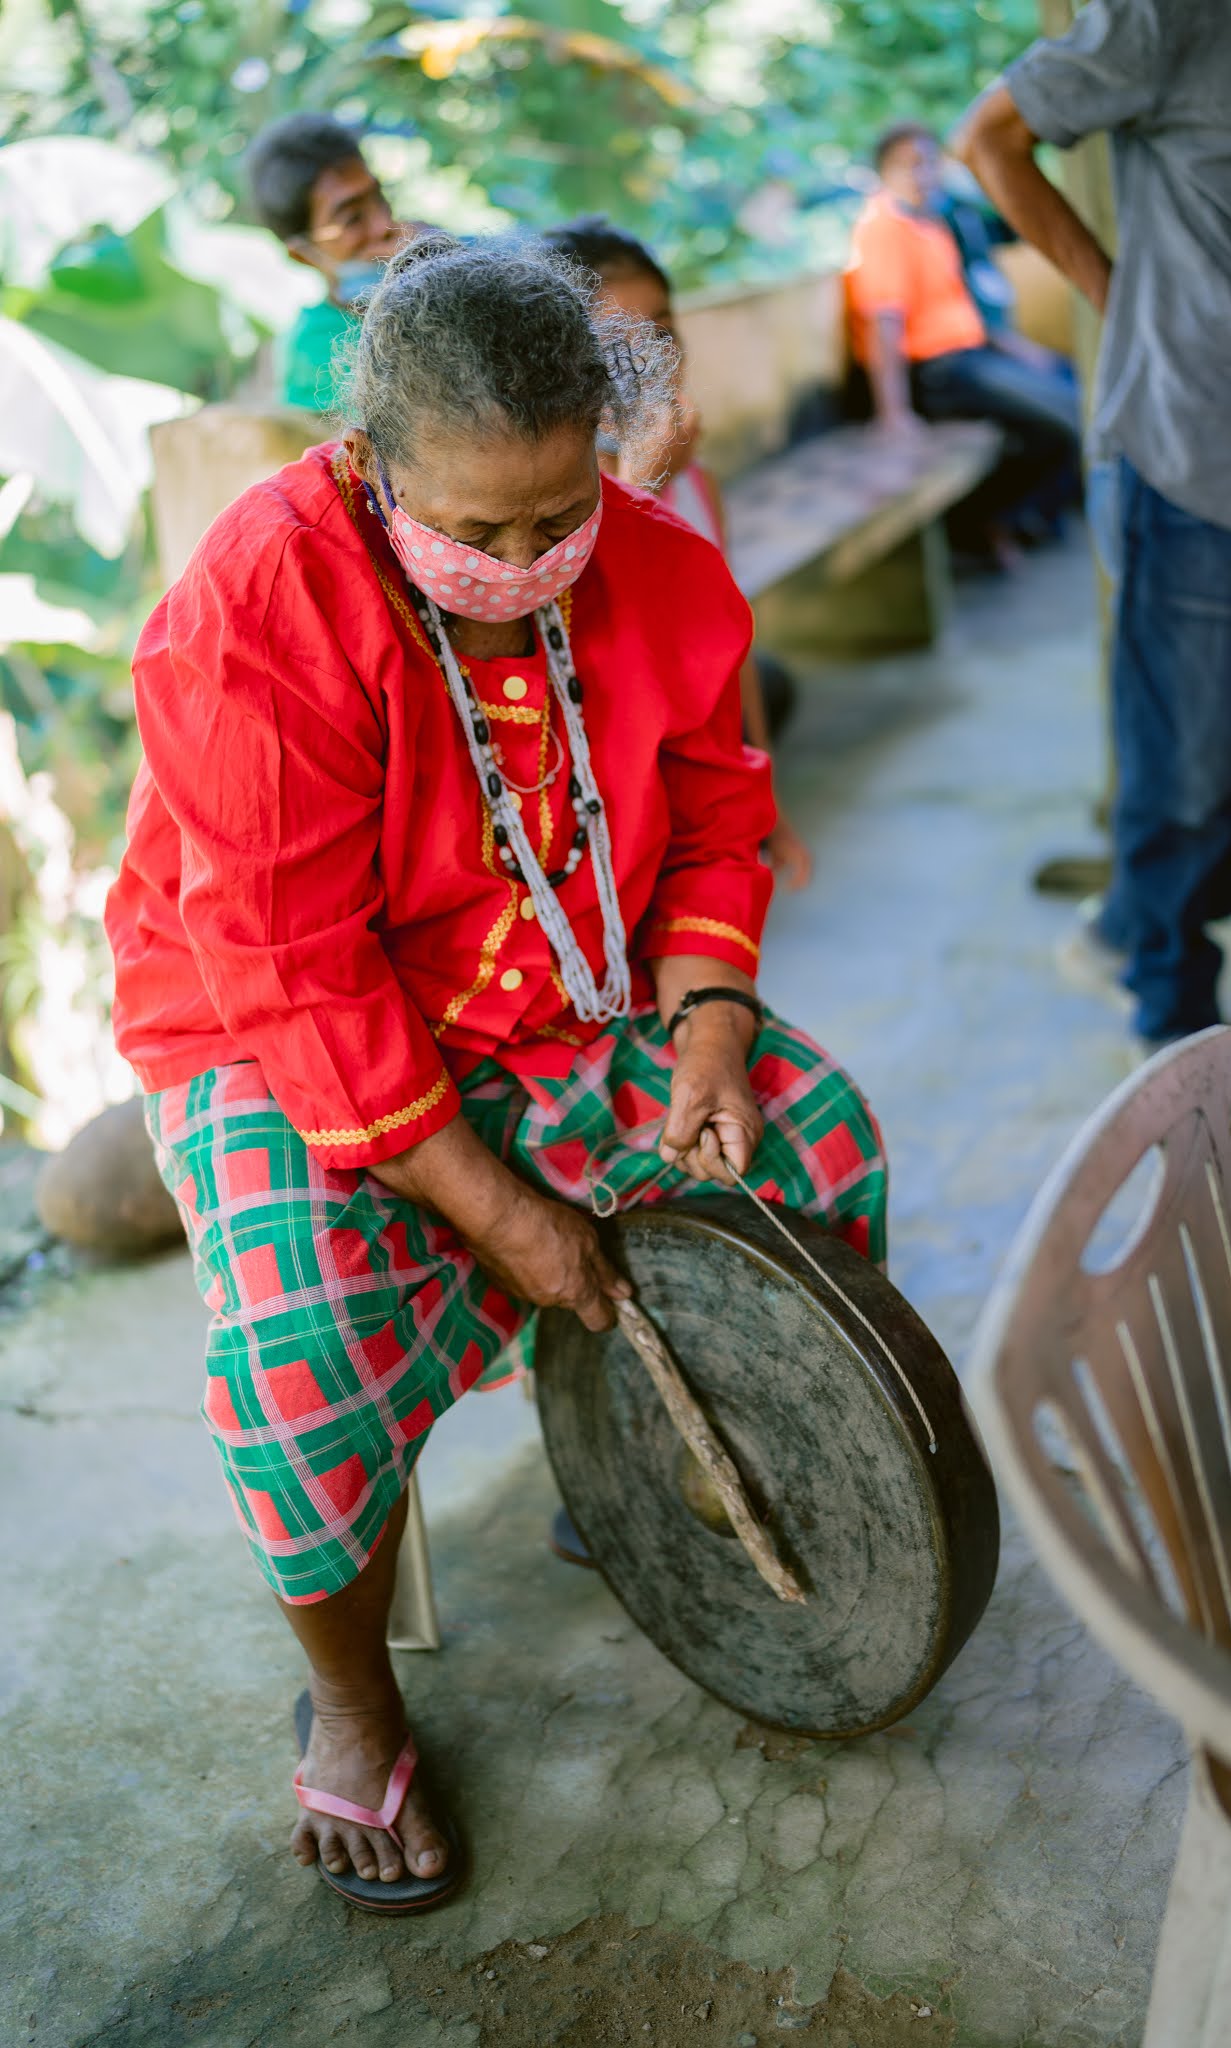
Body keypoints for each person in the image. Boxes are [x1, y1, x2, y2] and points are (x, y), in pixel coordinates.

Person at [105, 236, 888, 1911]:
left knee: (809, 1140)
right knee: (300, 1350)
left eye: (559, 518)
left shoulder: (660, 566)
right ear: (371, 460)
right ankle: (352, 1698)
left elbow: (718, 810)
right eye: (475, 530)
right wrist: (501, 1209)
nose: (526, 565)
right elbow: (294, 968)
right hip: (276, 1030)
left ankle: (640, 1450)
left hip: (563, 985)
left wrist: (711, 1025)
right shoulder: (254, 604)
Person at [957, 2, 1231, 1055]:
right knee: (1182, 778)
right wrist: (1114, 291)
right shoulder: (1174, 14)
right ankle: (1172, 1007)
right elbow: (990, 138)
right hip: (1191, 450)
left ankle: (1132, 927)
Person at [542, 216, 813, 891]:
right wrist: (642, 484)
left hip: (696, 772)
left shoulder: (697, 486)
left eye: (661, 333)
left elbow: (733, 651)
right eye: (615, 347)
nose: (649, 364)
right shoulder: (548, 508)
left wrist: (764, 801)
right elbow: (588, 666)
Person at [844, 121, 1080, 560]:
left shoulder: (932, 223)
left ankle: (1019, 523)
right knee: (1066, 415)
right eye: (908, 165)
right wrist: (894, 413)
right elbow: (884, 325)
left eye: (929, 162)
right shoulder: (883, 228)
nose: (922, 174)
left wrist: (1014, 346)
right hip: (938, 373)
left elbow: (960, 307)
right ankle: (990, 524)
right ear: (883, 172)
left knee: (1069, 385)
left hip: (973, 356)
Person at [245, 112, 402, 414]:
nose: (384, 224)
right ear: (303, 254)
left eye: (380, 198)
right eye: (352, 219)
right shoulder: (314, 351)